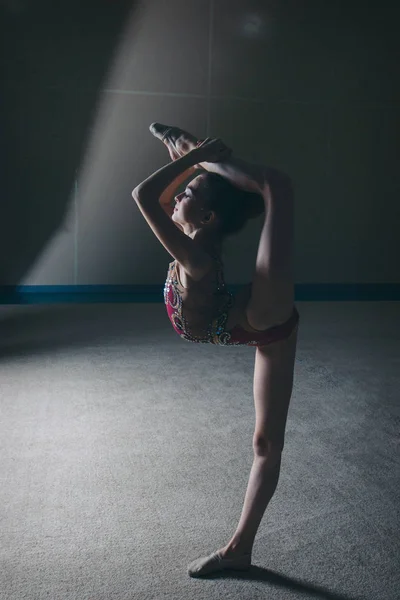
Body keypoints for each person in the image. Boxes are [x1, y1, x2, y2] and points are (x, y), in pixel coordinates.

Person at [132, 123, 299, 577]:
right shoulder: (188, 242)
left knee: (276, 186)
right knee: (264, 442)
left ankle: (237, 548)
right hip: (241, 321)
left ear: (206, 218)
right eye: (185, 189)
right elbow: (162, 200)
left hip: (264, 318)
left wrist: (193, 157)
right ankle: (241, 551)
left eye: (189, 192)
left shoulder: (196, 259)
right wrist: (189, 161)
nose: (179, 194)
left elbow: (144, 197)